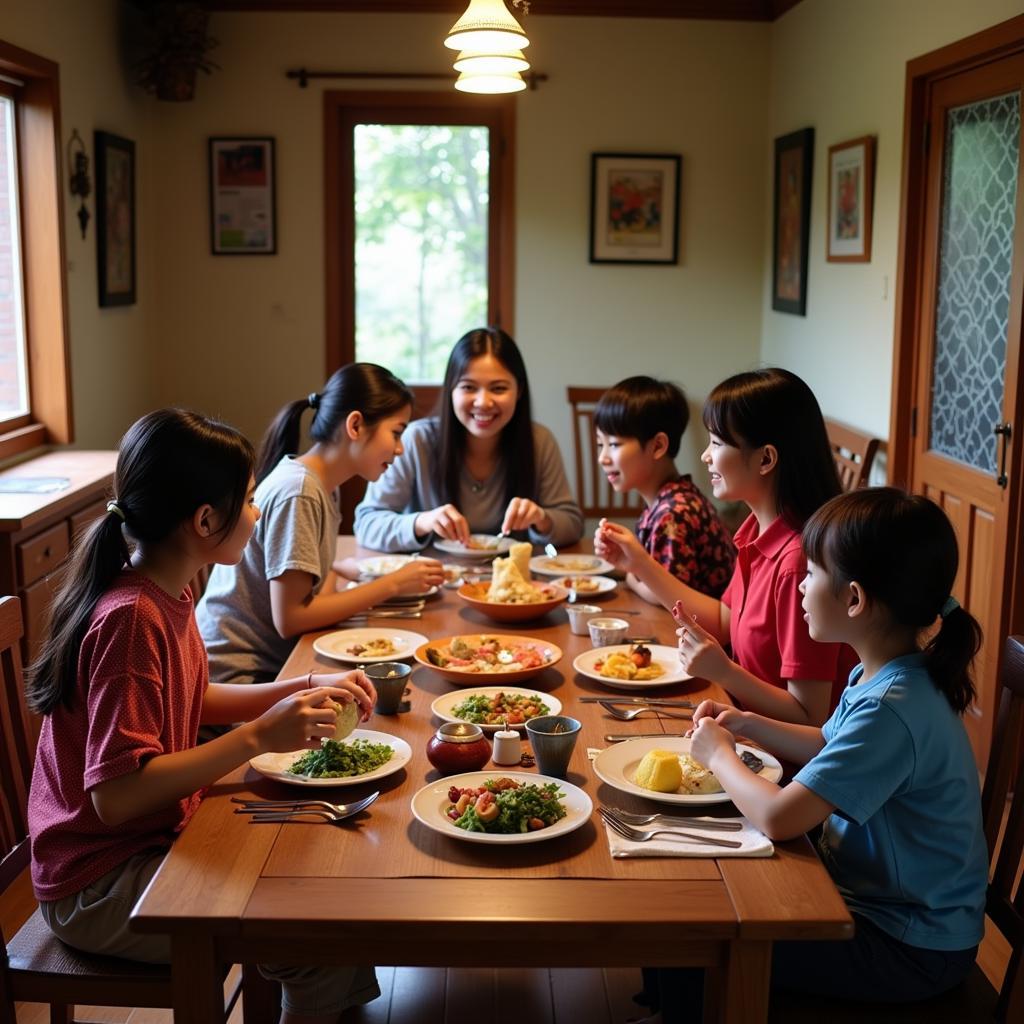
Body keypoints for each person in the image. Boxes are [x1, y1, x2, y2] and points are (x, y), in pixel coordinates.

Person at [26, 409, 381, 1023]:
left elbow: (195, 697)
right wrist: (257, 737)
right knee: (312, 932)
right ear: (205, 521)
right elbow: (115, 795)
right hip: (98, 883)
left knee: (327, 886)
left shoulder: (174, 585)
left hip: (147, 843)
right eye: (248, 499)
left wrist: (305, 683)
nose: (259, 511)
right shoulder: (130, 619)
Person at [642, 487, 988, 1020]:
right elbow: (830, 743)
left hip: (909, 946)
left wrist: (719, 756)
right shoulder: (885, 674)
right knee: (694, 896)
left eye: (810, 574)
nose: (800, 586)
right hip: (879, 909)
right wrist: (745, 723)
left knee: (700, 934)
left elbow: (781, 818)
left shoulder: (892, 709)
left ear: (853, 599)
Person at [595, 367, 852, 726]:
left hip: (781, 765)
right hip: (737, 725)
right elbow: (724, 622)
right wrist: (638, 563)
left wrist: (726, 672)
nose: (705, 457)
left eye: (716, 443)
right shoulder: (754, 531)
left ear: (765, 459)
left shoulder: (797, 562)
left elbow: (811, 717)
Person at [197, 363, 444, 689]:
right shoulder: (301, 491)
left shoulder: (325, 485)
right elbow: (292, 619)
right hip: (236, 679)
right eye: (396, 433)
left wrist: (346, 574)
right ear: (355, 425)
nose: (400, 449)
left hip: (271, 668)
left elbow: (315, 593)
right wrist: (392, 584)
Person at [353, 327, 583, 552]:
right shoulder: (416, 440)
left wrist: (542, 518)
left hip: (513, 581)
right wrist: (421, 522)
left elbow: (572, 524)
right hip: (432, 580)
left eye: (499, 388)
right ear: (451, 389)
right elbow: (366, 524)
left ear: (519, 391)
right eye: (468, 387)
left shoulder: (538, 441)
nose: (483, 402)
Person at [593, 376, 735, 601]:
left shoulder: (674, 513)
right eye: (601, 444)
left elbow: (664, 596)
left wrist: (632, 578)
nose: (602, 458)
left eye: (614, 444)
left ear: (657, 446)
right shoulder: (668, 499)